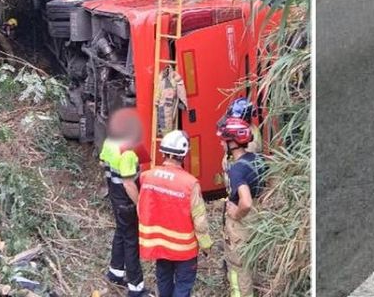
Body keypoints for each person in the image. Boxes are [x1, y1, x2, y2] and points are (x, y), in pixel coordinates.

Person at [137, 131, 212, 297]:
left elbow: (141, 208)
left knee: (164, 281)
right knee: (183, 285)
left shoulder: (147, 177)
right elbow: (200, 221)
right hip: (184, 250)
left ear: (163, 152)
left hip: (160, 246)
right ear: (184, 155)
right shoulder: (190, 184)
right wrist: (206, 246)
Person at [101, 109, 149, 297]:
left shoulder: (110, 142)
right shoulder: (127, 151)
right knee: (131, 240)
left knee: (121, 232)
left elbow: (102, 163)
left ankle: (115, 273)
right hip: (126, 200)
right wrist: (140, 205)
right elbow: (129, 183)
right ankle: (136, 287)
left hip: (114, 195)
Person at [218, 118, 265, 297]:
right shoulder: (257, 159)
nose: (222, 143)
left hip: (241, 223)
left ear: (233, 142)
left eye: (224, 140)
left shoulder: (237, 170)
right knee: (250, 260)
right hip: (256, 218)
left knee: (238, 268)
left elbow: (245, 201)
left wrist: (236, 214)